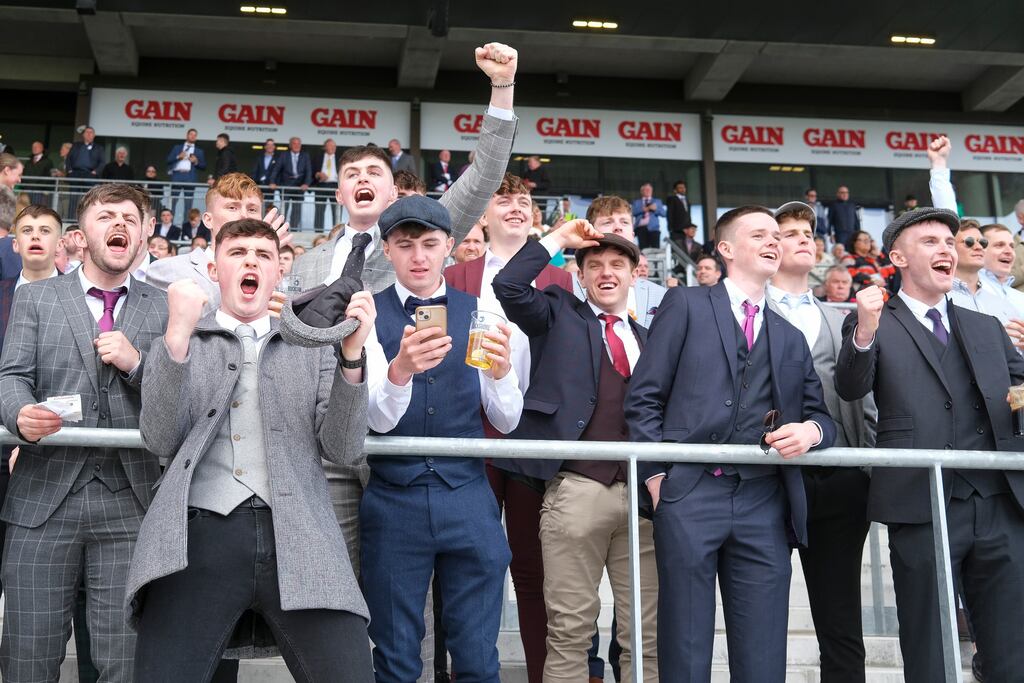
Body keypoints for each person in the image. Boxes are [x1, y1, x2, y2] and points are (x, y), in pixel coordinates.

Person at [127, 218, 374, 682]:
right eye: (238, 252)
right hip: (197, 537)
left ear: (279, 271)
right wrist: (176, 337)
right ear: (214, 267)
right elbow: (159, 438)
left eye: (263, 255)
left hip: (301, 535)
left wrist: (352, 356)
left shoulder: (314, 346)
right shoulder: (184, 337)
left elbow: (343, 448)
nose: (251, 262)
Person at [625, 205, 836, 681]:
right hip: (688, 492)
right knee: (685, 644)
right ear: (725, 249)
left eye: (777, 236)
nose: (773, 242)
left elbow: (822, 414)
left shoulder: (789, 335)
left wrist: (811, 431)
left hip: (764, 500)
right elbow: (644, 397)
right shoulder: (686, 305)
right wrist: (658, 479)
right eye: (759, 233)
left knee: (764, 654)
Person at [835, 207, 1024, 683]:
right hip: (920, 502)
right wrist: (864, 329)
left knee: (1012, 645)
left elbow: (1019, 387)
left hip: (1000, 501)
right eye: (931, 242)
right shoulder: (874, 321)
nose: (946, 249)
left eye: (949, 241)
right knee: (928, 642)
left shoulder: (985, 326)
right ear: (897, 256)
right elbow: (852, 387)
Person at [0, 183, 168, 682]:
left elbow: (181, 399)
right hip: (41, 501)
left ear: (143, 236)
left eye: (130, 218)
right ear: (80, 233)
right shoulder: (37, 298)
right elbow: (11, 378)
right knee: (28, 658)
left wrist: (137, 364)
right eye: (106, 216)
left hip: (131, 506)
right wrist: (19, 414)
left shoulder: (164, 308)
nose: (119, 224)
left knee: (125, 663)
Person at [362, 195, 521, 682]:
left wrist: (500, 373)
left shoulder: (480, 309)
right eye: (405, 245)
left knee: (476, 657)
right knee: (395, 657)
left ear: (450, 247)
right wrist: (401, 370)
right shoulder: (370, 315)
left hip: (469, 496)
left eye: (430, 244)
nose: (419, 256)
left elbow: (509, 419)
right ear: (387, 249)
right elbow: (377, 419)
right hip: (394, 499)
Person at [494, 220, 659, 683]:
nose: (606, 273)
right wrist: (557, 242)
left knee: (645, 635)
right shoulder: (557, 312)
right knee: (568, 630)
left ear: (635, 274)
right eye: (595, 266)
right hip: (575, 491)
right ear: (579, 277)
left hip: (644, 501)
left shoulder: (651, 338)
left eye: (617, 265)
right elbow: (507, 284)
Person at [444, 172, 573, 683]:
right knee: (466, 565)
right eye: (504, 200)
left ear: (536, 215)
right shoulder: (456, 277)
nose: (516, 208)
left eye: (524, 201)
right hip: (469, 432)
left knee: (532, 568)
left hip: (532, 436)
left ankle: (543, 673)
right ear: (485, 215)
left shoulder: (561, 281)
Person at [767, 201, 876, 681]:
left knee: (841, 621)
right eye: (790, 231)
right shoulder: (736, 311)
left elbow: (867, 401)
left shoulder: (841, 318)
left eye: (808, 231)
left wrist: (871, 468)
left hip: (838, 482)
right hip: (763, 482)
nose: (804, 237)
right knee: (760, 621)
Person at [148, 173, 287, 316]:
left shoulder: (274, 273)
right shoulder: (167, 270)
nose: (244, 216)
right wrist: (256, 303)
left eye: (252, 209)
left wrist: (268, 252)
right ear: (208, 220)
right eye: (232, 207)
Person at [581, 196, 666, 328]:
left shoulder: (661, 295)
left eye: (624, 222)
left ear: (632, 234)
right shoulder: (567, 288)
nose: (618, 228)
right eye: (608, 222)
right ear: (590, 231)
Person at [949, 218, 1021, 327]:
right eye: (969, 242)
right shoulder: (939, 299)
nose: (978, 247)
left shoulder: (1001, 303)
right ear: (950, 248)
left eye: (983, 243)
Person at [980, 223, 1024, 318]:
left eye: (1012, 246)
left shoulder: (1020, 297)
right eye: (999, 245)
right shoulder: (969, 289)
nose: (1009, 251)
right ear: (979, 250)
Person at [269, 136, 312, 228]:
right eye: (294, 143)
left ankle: (294, 229)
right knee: (284, 209)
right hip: (286, 186)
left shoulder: (305, 156)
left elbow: (309, 171)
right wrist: (272, 181)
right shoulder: (284, 155)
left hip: (299, 187)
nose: (297, 145)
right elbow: (276, 169)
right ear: (290, 145)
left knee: (297, 210)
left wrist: (306, 183)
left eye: (298, 144)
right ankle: (281, 229)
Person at [166, 128, 206, 216]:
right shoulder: (177, 148)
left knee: (188, 204)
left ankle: (186, 227)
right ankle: (171, 227)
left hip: (190, 177)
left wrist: (196, 162)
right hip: (177, 176)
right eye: (191, 134)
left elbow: (203, 166)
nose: (193, 136)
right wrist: (178, 157)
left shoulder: (199, 151)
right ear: (187, 135)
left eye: (195, 135)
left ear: (196, 138)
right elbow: (168, 160)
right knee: (173, 202)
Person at [313, 139, 341, 231]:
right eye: (330, 146)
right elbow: (312, 171)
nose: (333, 148)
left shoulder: (340, 158)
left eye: (334, 146)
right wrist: (317, 174)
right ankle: (318, 231)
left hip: (335, 186)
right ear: (325, 147)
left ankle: (337, 232)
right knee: (319, 210)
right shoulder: (318, 157)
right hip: (321, 185)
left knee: (336, 211)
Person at [631, 183, 666, 250]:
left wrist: (656, 209)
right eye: (646, 189)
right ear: (642, 191)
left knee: (655, 250)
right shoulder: (636, 202)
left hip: (654, 229)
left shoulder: (657, 201)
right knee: (643, 250)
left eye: (649, 190)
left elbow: (664, 214)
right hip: (640, 229)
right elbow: (632, 212)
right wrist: (643, 209)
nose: (648, 191)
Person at [665, 180, 692, 248]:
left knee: (686, 249)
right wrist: (671, 228)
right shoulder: (672, 199)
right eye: (680, 187)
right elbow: (669, 214)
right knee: (677, 248)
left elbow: (688, 215)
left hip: (687, 230)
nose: (682, 189)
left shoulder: (687, 200)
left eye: (683, 187)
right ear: (675, 190)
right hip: (676, 230)